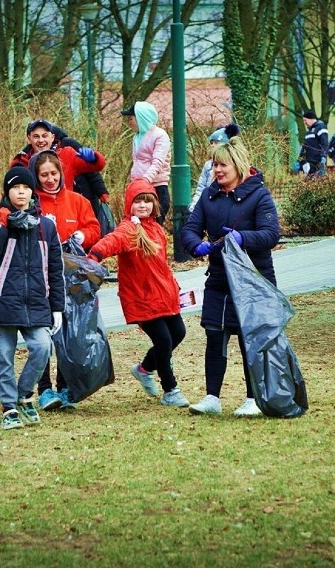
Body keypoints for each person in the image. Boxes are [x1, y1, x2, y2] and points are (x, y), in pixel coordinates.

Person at [180, 136, 281, 417]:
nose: (217, 170)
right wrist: (194, 244)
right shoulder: (209, 196)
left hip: (253, 280)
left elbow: (272, 234)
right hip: (219, 279)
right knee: (214, 334)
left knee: (251, 338)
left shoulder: (259, 195)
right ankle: (212, 397)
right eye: (214, 165)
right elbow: (190, 227)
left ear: (237, 165)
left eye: (222, 164)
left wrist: (241, 238)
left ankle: (253, 398)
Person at [88, 179, 190, 407]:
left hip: (163, 294)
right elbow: (110, 242)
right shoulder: (128, 229)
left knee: (178, 333)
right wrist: (94, 255)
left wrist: (174, 288)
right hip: (141, 297)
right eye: (137, 201)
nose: (143, 206)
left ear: (155, 204)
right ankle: (170, 389)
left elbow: (161, 264)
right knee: (163, 340)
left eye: (147, 201)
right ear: (129, 205)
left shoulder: (156, 228)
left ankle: (144, 369)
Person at [0, 166, 65, 430]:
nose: (21, 192)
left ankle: (23, 395)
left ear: (33, 192)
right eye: (16, 187)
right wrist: (2, 224)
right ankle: (9, 407)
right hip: (1, 303)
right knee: (3, 355)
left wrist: (57, 307)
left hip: (35, 304)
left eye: (26, 187)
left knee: (42, 347)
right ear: (7, 191)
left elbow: (55, 268)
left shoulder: (46, 227)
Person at [27, 149, 102, 410]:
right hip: (40, 274)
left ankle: (66, 387)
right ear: (36, 176)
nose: (50, 179)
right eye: (44, 175)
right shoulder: (31, 202)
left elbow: (94, 228)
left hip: (72, 276)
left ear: (61, 173)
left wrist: (83, 235)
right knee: (44, 329)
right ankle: (45, 389)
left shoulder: (78, 201)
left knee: (69, 331)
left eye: (54, 173)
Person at [10, 119, 110, 210]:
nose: (41, 140)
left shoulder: (67, 154)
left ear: (52, 137)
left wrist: (94, 158)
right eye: (36, 136)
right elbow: (10, 192)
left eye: (45, 136)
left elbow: (97, 166)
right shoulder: (21, 162)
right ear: (29, 138)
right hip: (37, 215)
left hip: (67, 211)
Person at [123, 102, 171, 224]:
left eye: (131, 118)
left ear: (141, 118)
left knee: (153, 226)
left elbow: (157, 163)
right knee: (137, 227)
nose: (129, 122)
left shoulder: (160, 135)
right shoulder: (137, 136)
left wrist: (144, 181)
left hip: (156, 188)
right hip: (139, 188)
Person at [189, 124, 240, 212]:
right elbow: (201, 188)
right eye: (211, 143)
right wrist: (194, 207)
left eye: (216, 142)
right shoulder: (208, 165)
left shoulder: (236, 164)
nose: (212, 145)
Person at [297, 109, 328, 177]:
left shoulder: (321, 127)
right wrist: (299, 160)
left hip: (318, 162)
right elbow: (304, 147)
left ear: (311, 119)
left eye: (305, 120)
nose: (304, 122)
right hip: (309, 163)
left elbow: (324, 144)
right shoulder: (309, 132)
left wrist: (323, 157)